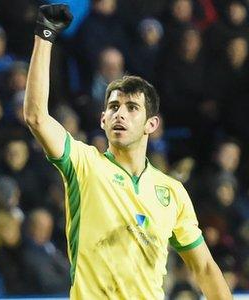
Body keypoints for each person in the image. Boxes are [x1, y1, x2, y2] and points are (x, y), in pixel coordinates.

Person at [24, 4, 232, 299]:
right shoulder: (84, 164)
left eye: (132, 108)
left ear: (152, 124)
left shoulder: (171, 191)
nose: (120, 114)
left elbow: (205, 269)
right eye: (113, 107)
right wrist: (44, 37)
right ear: (102, 120)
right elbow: (36, 117)